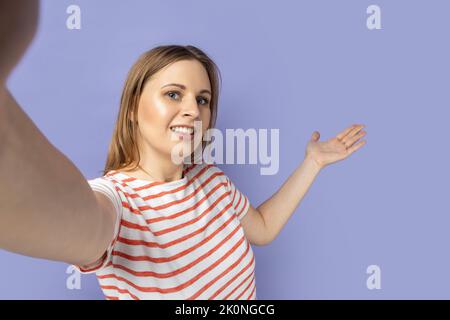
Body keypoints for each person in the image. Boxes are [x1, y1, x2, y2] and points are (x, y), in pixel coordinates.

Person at [0, 1, 367, 300]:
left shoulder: (210, 179)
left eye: (203, 99)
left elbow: (264, 228)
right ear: (132, 109)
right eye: (173, 94)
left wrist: (313, 162)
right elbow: (63, 218)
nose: (194, 110)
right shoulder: (117, 202)